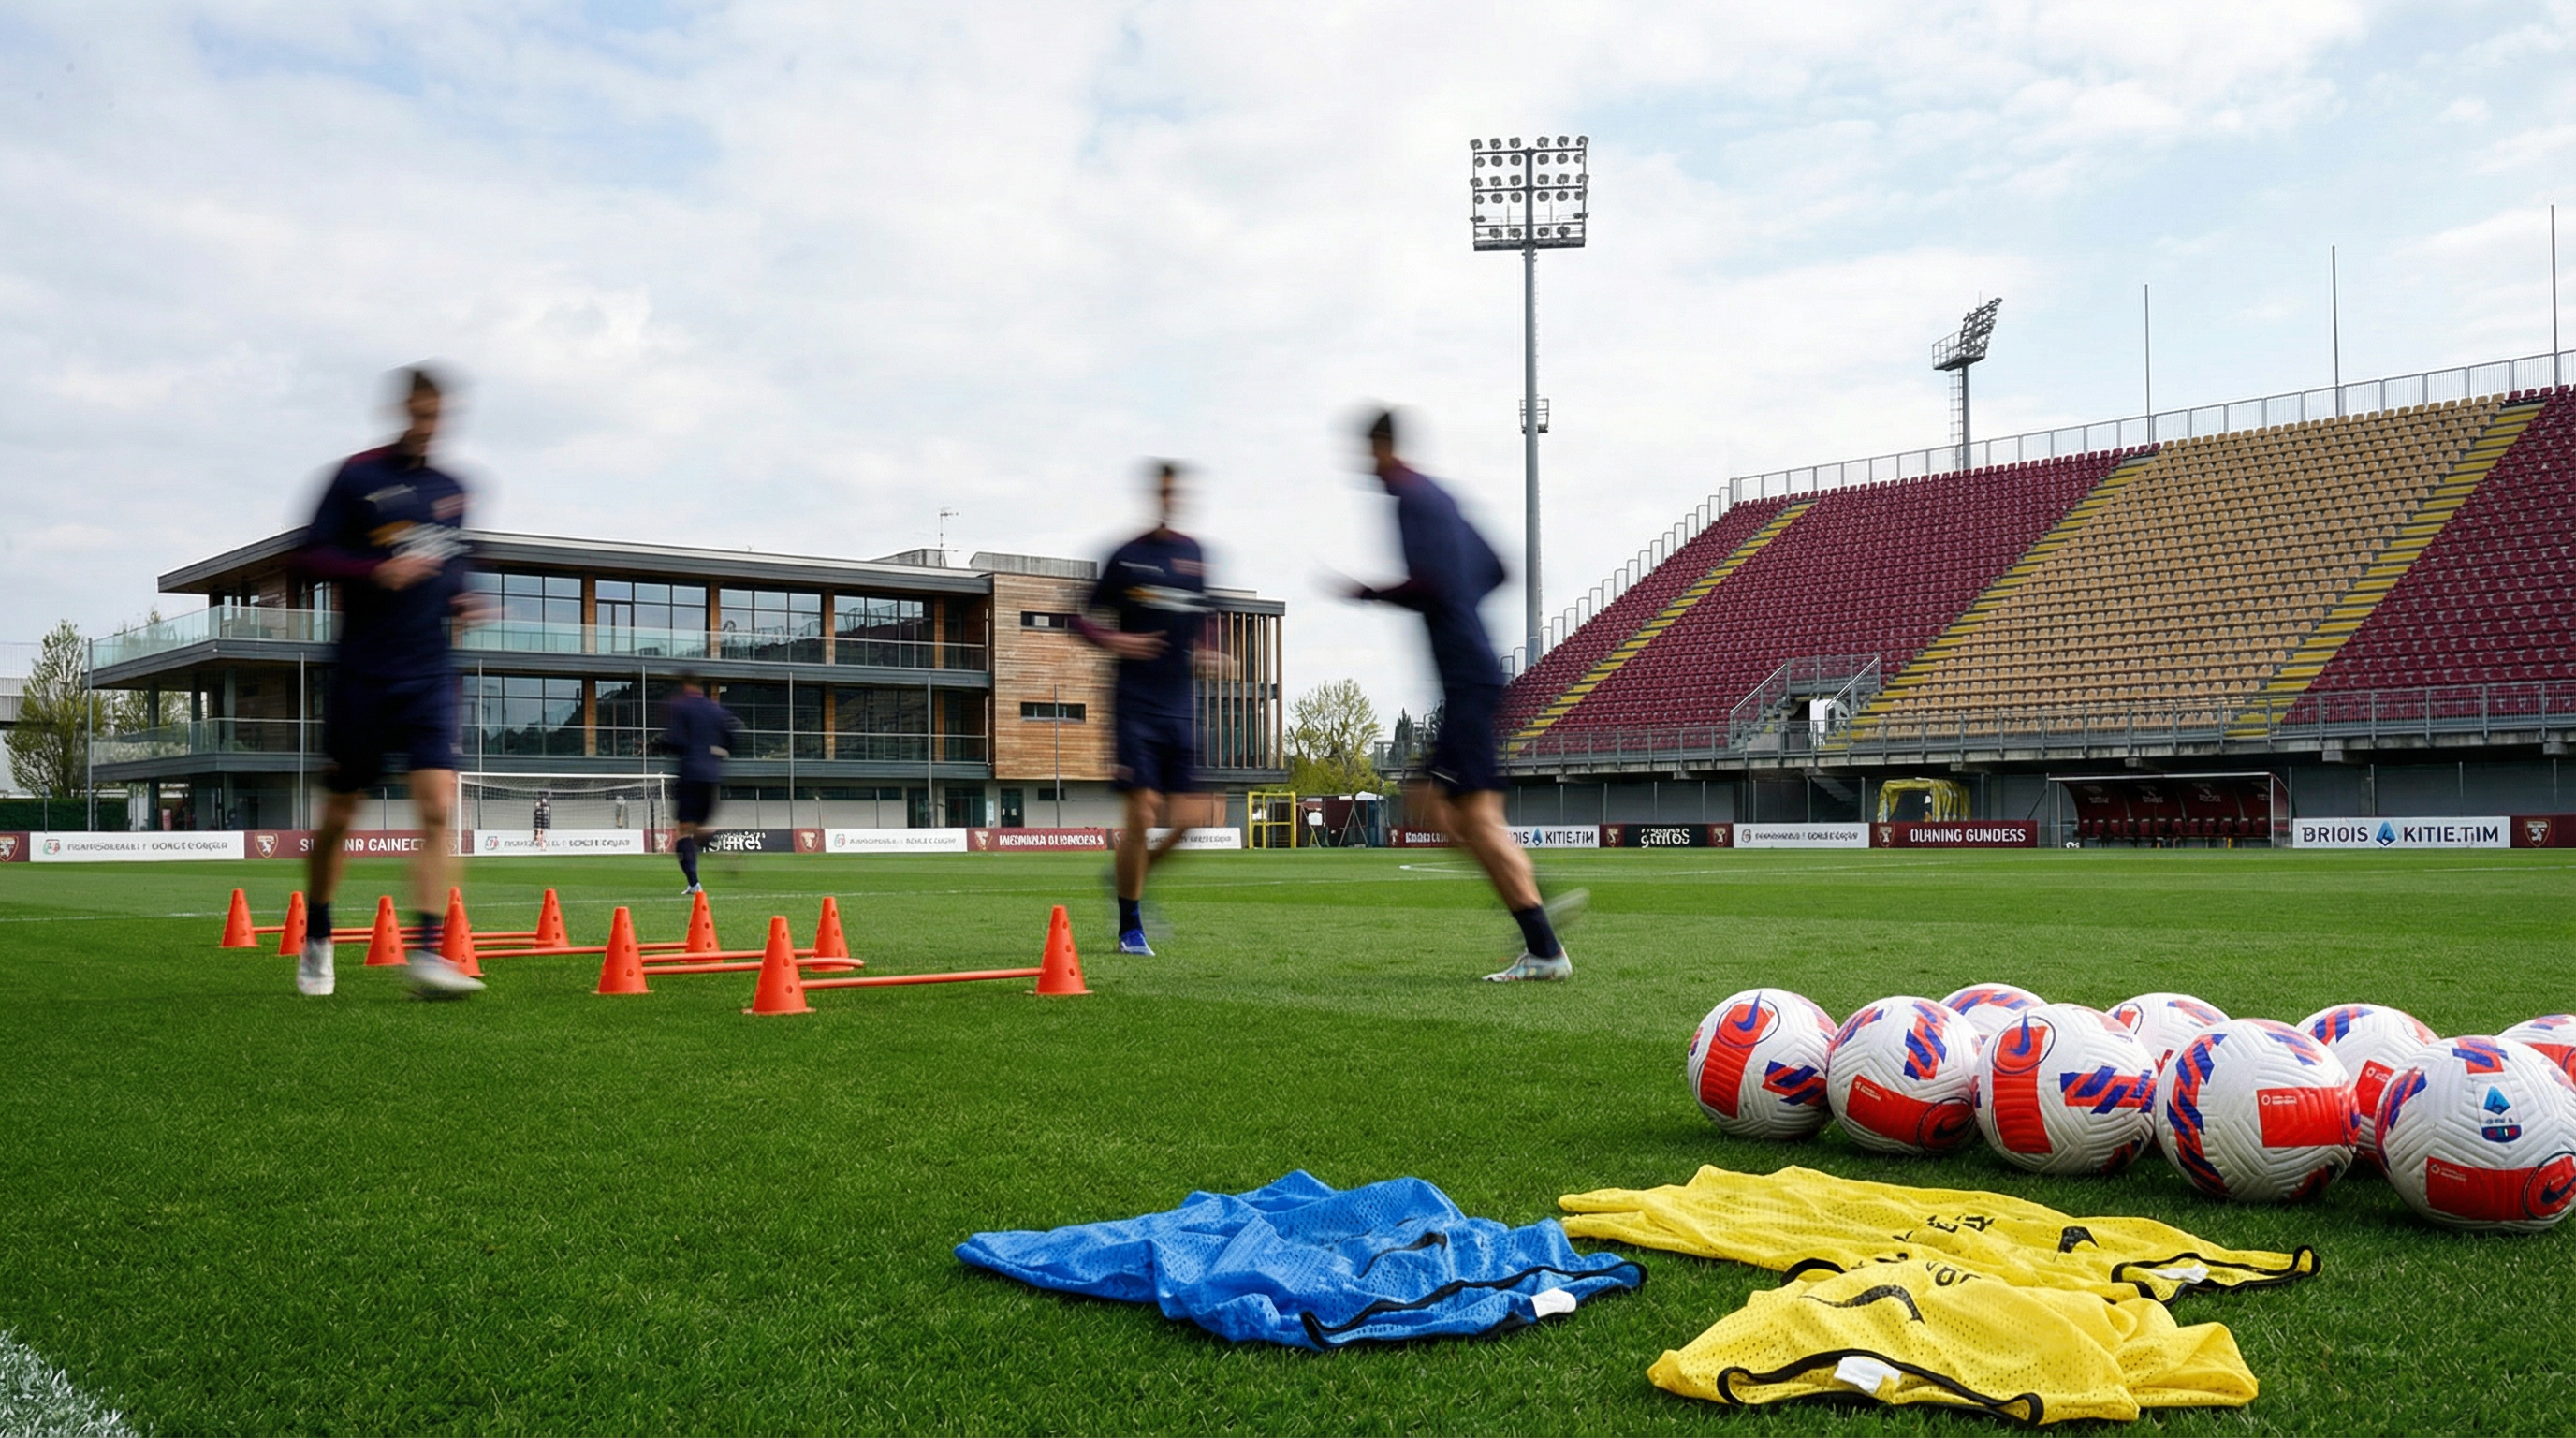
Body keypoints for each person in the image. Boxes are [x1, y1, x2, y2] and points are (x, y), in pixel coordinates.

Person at [1344, 408, 1581, 981]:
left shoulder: (1407, 498)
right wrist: (1463, 605)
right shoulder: (1443, 498)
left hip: (1467, 675)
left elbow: (1431, 581)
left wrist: (1375, 592)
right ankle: (1534, 909)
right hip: (1472, 673)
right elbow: (1498, 567)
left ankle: (1543, 940)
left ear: (1379, 447)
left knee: (1468, 819)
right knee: (1437, 810)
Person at [291, 365, 487, 999]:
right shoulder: (356, 477)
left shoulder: (455, 489)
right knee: (341, 815)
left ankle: (429, 955)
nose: (428, 426)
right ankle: (317, 935)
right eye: (420, 414)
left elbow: (455, 566)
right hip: (363, 672)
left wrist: (464, 599)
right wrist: (378, 571)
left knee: (436, 808)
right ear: (404, 410)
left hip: (429, 671)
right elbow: (309, 553)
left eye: (439, 417)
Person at [1076, 460, 1229, 955]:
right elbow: (1079, 620)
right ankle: (1130, 926)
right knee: (1141, 814)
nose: (1170, 497)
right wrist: (1119, 641)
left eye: (1176, 490)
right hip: (1135, 704)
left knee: (1189, 820)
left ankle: (1128, 876)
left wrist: (1209, 650)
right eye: (1162, 490)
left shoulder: (1197, 556)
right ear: (1154, 495)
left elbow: (1206, 617)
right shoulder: (1126, 556)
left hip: (1180, 706)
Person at [657, 673, 740, 895]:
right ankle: (725, 853)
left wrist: (660, 745)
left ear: (685, 685)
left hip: (691, 773)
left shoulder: (682, 707)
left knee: (684, 830)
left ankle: (694, 884)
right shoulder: (716, 709)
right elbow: (733, 733)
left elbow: (675, 741)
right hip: (713, 775)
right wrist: (721, 751)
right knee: (698, 829)